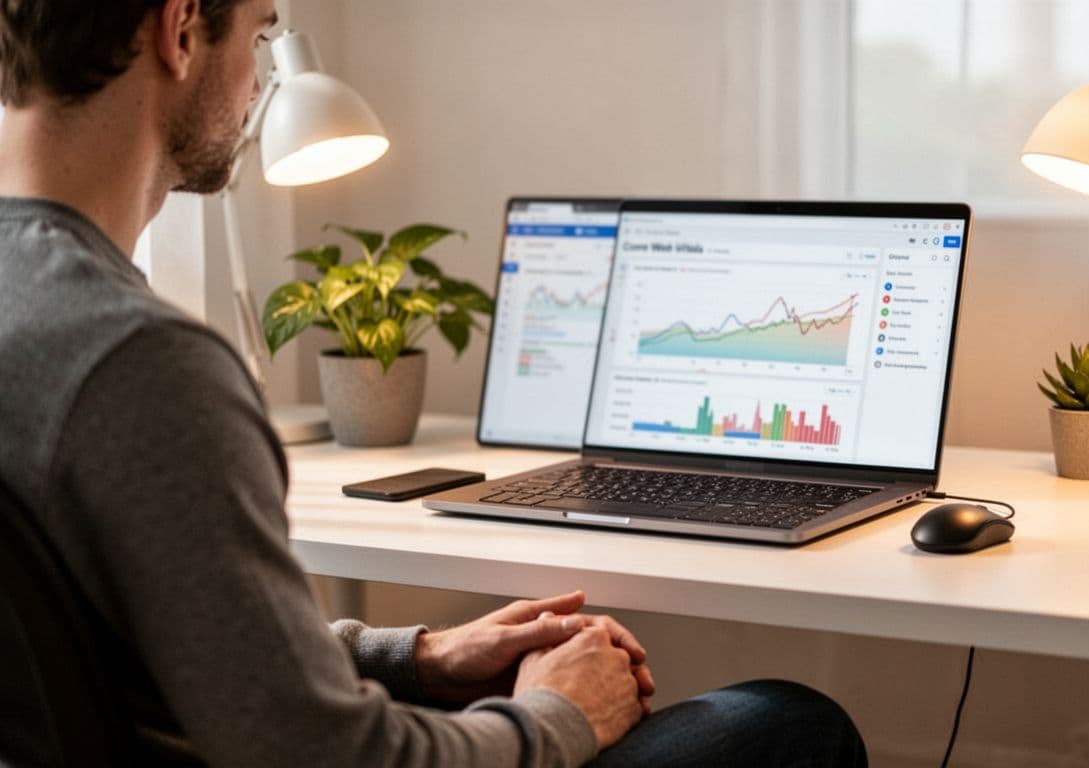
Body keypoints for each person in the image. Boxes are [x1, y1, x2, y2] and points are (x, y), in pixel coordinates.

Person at [0, 1, 868, 766]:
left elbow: (190, 651)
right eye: (262, 37)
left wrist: (420, 656)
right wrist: (560, 713)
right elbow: (333, 754)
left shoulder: (43, 313)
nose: (259, 88)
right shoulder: (139, 363)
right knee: (792, 723)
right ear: (179, 27)